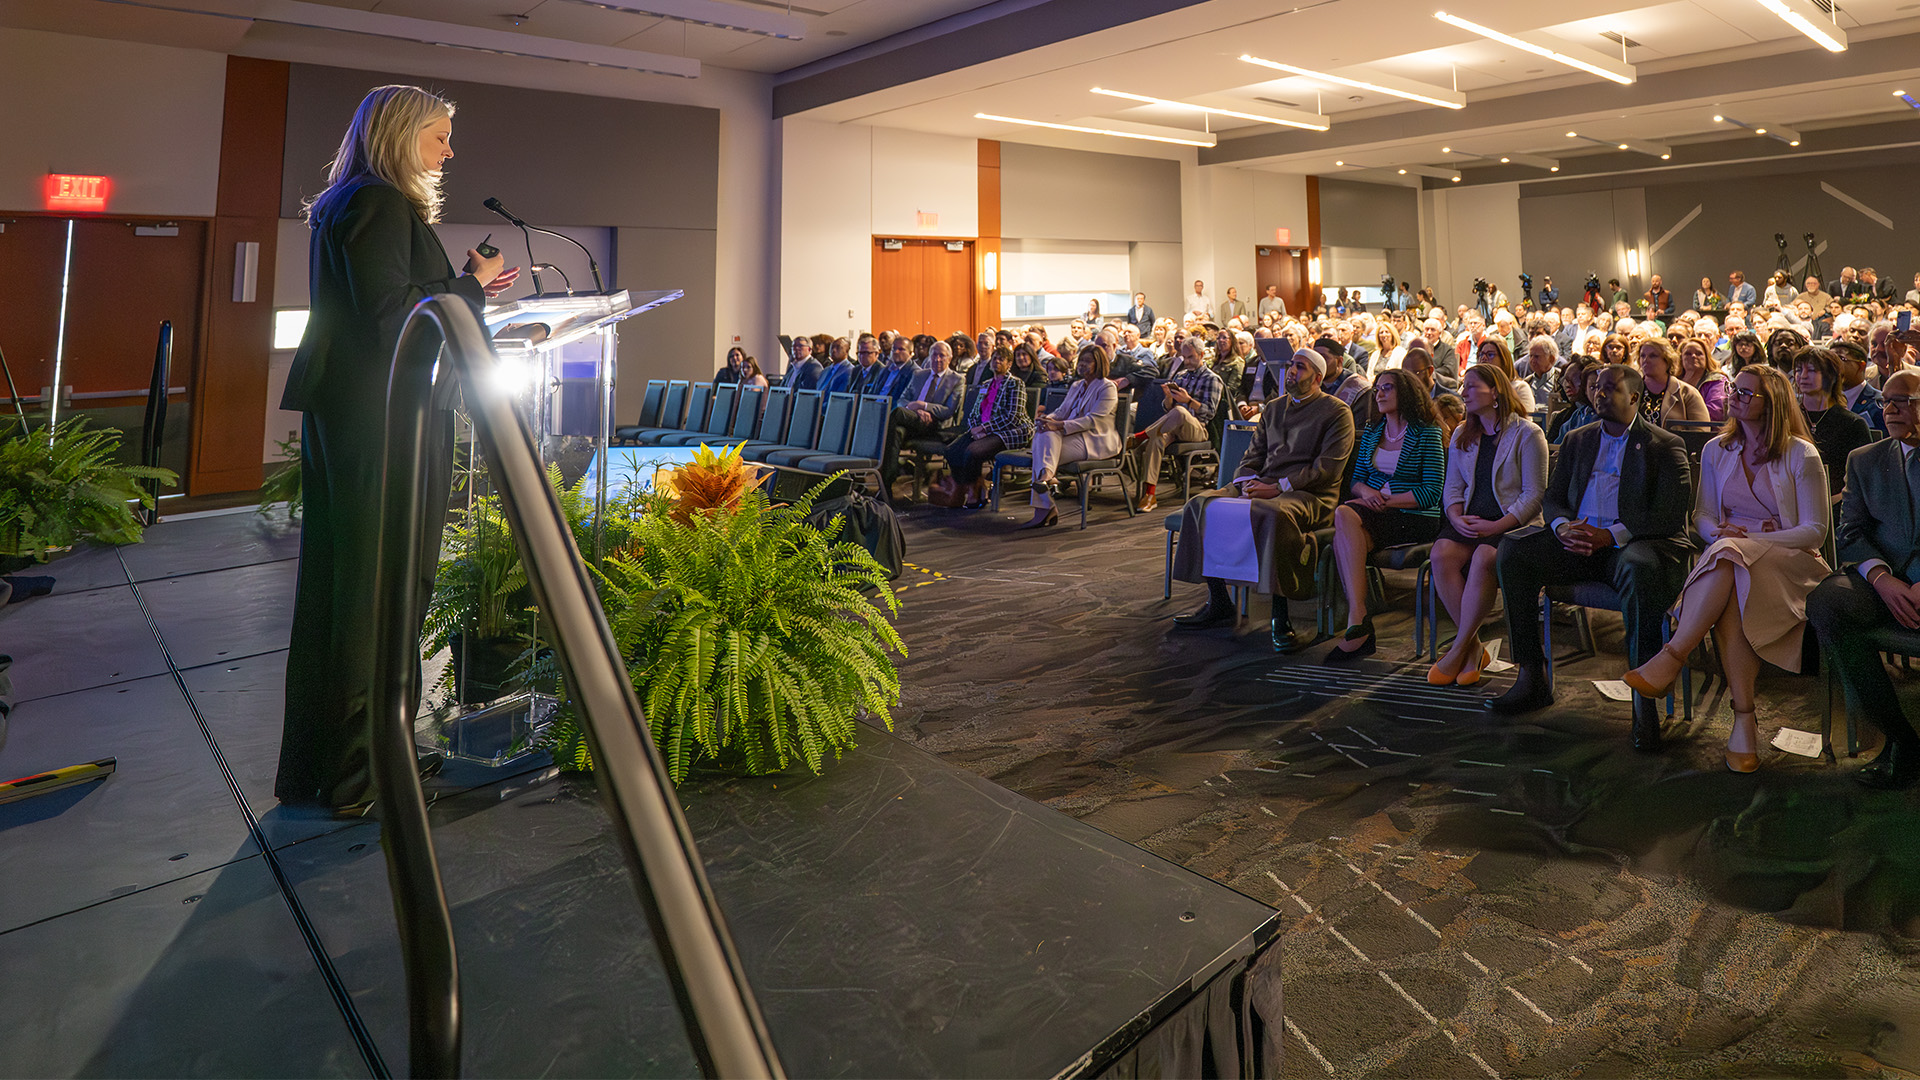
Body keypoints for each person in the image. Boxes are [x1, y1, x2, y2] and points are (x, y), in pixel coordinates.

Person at [278, 84, 518, 811]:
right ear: (400, 134)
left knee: (348, 589)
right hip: (385, 419)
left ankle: (336, 766)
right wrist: (469, 288)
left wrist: (461, 288)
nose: (450, 150)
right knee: (380, 589)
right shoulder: (380, 202)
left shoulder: (351, 201)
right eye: (439, 136)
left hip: (361, 414)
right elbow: (395, 319)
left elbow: (391, 303)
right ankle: (363, 777)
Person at [1622, 366, 1828, 772]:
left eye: (1748, 394)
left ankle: (1674, 654)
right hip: (1732, 562)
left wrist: (1747, 538)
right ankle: (1744, 720)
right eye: (1736, 389)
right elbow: (1700, 516)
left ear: (1774, 404)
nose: (1736, 396)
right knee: (1731, 577)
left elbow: (1814, 532)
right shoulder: (1718, 449)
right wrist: (1718, 532)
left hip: (1791, 564)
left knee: (1730, 555)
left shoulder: (1801, 454)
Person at [1487, 365, 1694, 752]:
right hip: (1578, 541)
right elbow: (1553, 498)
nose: (1599, 394)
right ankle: (1531, 676)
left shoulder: (1664, 445)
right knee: (1514, 550)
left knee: (1638, 567)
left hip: (1631, 545)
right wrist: (1563, 526)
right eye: (1596, 387)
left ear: (1634, 398)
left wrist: (1610, 535)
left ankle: (1643, 698)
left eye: (1610, 389)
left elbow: (1668, 514)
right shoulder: (1578, 439)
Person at [1171, 346, 1356, 651]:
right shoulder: (1273, 408)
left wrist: (1279, 486)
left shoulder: (1336, 411)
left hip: (1309, 494)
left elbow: (1326, 468)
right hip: (1262, 484)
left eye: (1300, 367)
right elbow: (1252, 454)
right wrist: (1245, 482)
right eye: (1291, 365)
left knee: (1272, 514)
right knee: (1201, 505)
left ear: (1318, 377)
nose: (1291, 371)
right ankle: (1218, 601)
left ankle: (1280, 615)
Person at [1808, 370, 1920, 788]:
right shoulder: (1866, 459)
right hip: (1886, 580)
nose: (1890, 409)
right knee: (1827, 602)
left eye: (1904, 400)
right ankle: (1901, 737)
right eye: (1887, 400)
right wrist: (1881, 578)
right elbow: (1850, 530)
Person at [1429, 363, 1548, 685]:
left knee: (1484, 556)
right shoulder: (1462, 433)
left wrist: (1498, 527)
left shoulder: (1527, 432)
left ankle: (1457, 652)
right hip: (1470, 519)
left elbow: (1534, 494)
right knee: (1441, 553)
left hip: (1513, 524)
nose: (1462, 392)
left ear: (1494, 391)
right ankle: (1473, 648)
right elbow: (1452, 487)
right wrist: (1455, 516)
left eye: (1470, 386)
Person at [1324, 369, 1447, 662]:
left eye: (1387, 388)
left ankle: (1360, 621)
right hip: (1376, 512)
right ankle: (1359, 619)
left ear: (1406, 393)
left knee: (1344, 519)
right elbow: (1356, 482)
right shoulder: (1372, 432)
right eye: (1378, 388)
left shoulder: (1427, 432)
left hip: (1414, 516)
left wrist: (1386, 501)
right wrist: (1369, 495)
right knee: (1345, 518)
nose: (1378, 393)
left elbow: (1432, 491)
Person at [1020, 344, 1120, 529]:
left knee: (1041, 452)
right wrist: (1047, 419)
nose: (1082, 365)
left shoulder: (1107, 387)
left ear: (1099, 364)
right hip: (1069, 435)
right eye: (1081, 360)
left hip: (1094, 439)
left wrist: (1059, 425)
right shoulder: (1076, 385)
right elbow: (1062, 411)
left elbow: (1093, 421)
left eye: (1087, 361)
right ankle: (1047, 477)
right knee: (1043, 434)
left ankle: (1044, 508)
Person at [1126, 337, 1224, 513]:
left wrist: (1188, 400)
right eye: (1184, 357)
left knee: (1180, 412)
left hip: (1198, 428)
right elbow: (1167, 408)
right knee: (1157, 439)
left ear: (1201, 355)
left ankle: (1140, 436)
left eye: (1191, 357)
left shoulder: (1212, 379)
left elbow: (1209, 412)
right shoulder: (1180, 376)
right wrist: (1169, 398)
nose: (1187, 362)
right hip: (1172, 426)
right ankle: (1150, 494)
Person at [936, 347, 1031, 509]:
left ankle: (975, 492)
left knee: (972, 452)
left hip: (1008, 431)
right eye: (994, 358)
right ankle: (974, 486)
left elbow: (1013, 416)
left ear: (1009, 364)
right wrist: (976, 428)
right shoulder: (986, 384)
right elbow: (974, 413)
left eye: (1001, 359)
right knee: (952, 450)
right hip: (982, 430)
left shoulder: (1015, 384)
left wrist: (985, 429)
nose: (997, 361)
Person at [878, 340, 962, 502]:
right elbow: (903, 400)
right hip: (912, 421)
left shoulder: (956, 380)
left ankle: (882, 475)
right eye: (934, 355)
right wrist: (915, 409)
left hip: (935, 425)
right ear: (929, 357)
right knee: (896, 430)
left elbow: (948, 411)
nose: (937, 359)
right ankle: (887, 483)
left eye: (942, 356)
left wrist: (924, 406)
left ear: (949, 359)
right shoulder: (920, 375)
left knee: (895, 414)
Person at [1791, 346, 1872, 500]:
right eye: (1799, 370)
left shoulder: (1852, 424)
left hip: (1838, 504)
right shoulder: (1788, 418)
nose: (1803, 376)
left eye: (1813, 370)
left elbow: (1864, 479)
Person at [1635, 338, 1710, 430]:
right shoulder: (1632, 391)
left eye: (1653, 356)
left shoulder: (1687, 393)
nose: (1646, 360)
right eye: (1642, 356)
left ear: (1667, 360)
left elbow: (1700, 432)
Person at [1472, 337, 1536, 414]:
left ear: (1503, 360)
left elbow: (1526, 423)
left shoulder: (1520, 388)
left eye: (1490, 354)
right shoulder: (1473, 386)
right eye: (1481, 354)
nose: (1483, 358)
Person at [1547, 357, 1600, 443]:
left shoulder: (1603, 416)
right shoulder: (1572, 416)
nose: (1568, 385)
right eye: (1565, 380)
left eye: (1575, 378)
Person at [1676, 337, 1730, 421]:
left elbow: (1715, 413)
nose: (1693, 356)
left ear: (1707, 357)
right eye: (1688, 354)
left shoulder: (1717, 381)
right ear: (1681, 358)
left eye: (1699, 353)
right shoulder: (1674, 380)